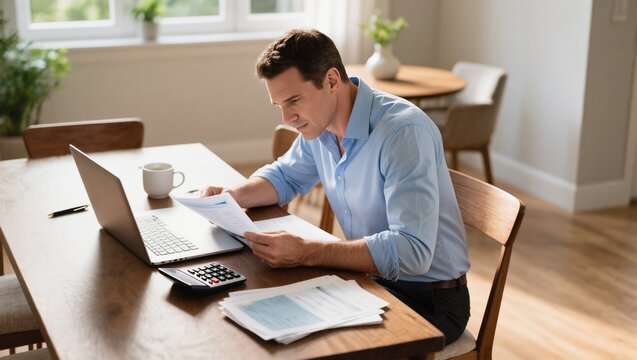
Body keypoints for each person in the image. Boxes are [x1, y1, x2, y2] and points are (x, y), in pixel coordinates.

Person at [203, 29, 470, 344]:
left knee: (307, 345)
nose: (288, 118)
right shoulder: (320, 126)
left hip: (428, 302)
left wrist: (308, 252)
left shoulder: (402, 133)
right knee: (252, 324)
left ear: (331, 80)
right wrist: (233, 196)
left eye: (294, 101)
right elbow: (285, 176)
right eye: (279, 106)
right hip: (368, 282)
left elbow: (412, 252)